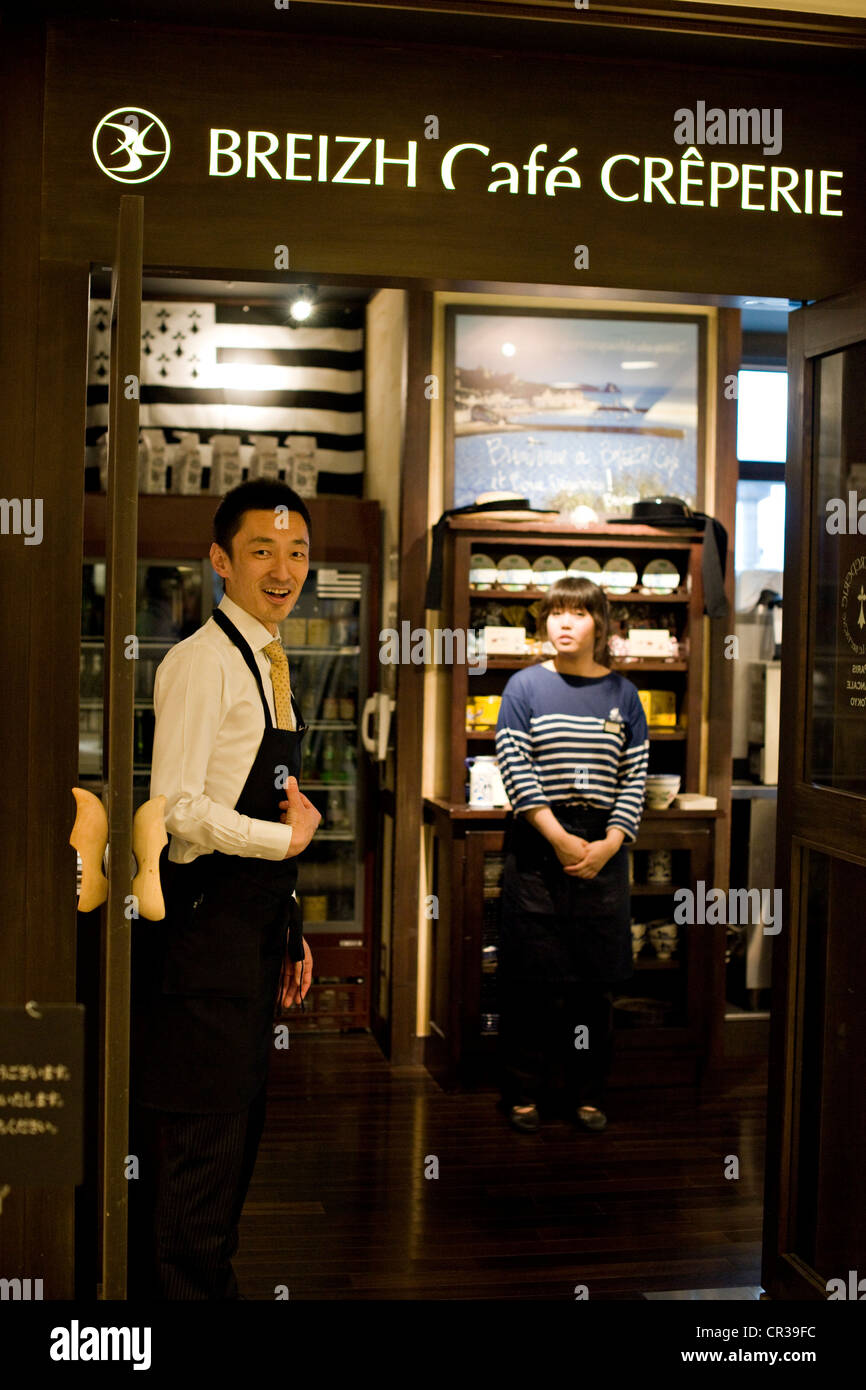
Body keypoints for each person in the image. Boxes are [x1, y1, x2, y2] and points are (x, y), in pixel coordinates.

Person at [128, 478, 322, 1299]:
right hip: (199, 952)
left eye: (297, 552)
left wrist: (289, 927)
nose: (284, 569)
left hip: (245, 940)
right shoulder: (199, 661)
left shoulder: (271, 662)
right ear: (219, 561)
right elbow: (176, 813)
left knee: (231, 1155)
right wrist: (286, 839)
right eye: (261, 551)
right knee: (192, 1179)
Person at [494, 575, 649, 1135]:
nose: (563, 622)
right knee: (531, 982)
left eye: (577, 614)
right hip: (539, 840)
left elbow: (635, 777)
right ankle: (524, 1093)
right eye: (555, 613)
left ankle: (587, 1094)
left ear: (600, 626)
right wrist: (558, 837)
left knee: (593, 984)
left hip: (604, 844)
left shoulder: (624, 695)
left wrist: (609, 843)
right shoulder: (524, 688)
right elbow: (515, 766)